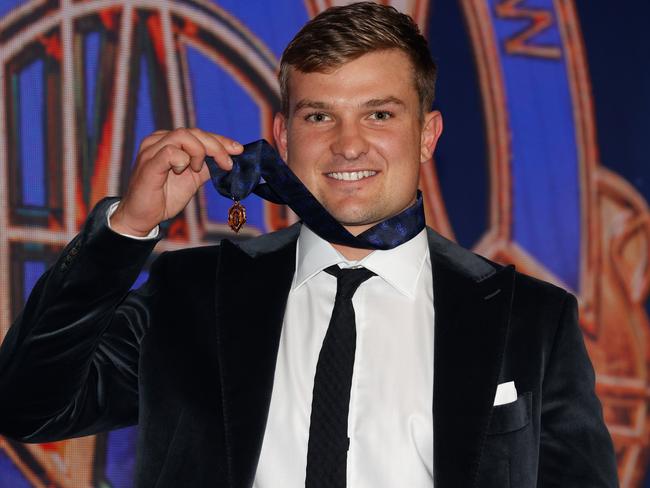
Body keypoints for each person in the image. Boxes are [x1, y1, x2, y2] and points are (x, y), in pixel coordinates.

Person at [0, 2, 617, 487]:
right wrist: (127, 231)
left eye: (380, 115)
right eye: (320, 116)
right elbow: (27, 407)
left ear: (427, 135)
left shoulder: (532, 320)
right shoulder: (191, 296)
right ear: (283, 135)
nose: (349, 145)